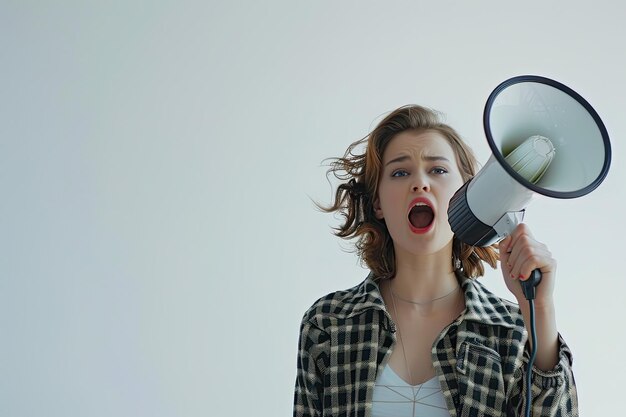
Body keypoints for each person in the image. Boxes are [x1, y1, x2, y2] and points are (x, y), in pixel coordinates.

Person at [293, 105, 578, 417]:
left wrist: (540, 309)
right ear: (378, 203)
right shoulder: (328, 323)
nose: (420, 183)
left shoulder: (511, 330)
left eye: (438, 170)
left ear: (467, 192)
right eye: (400, 172)